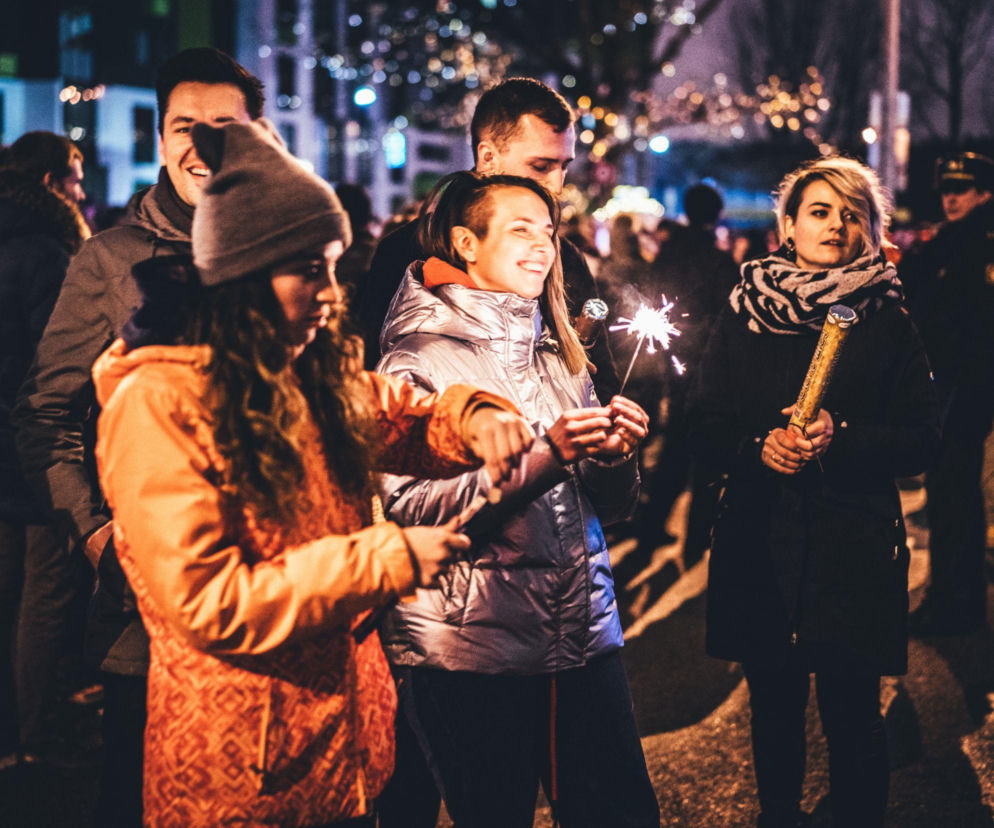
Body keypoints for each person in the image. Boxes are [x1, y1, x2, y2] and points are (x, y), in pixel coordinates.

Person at [92, 120, 533, 827]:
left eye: (333, 264)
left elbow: (393, 411)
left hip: (337, 751)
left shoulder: (297, 367)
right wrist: (382, 557)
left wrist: (473, 416)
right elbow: (210, 600)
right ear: (241, 275)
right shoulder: (159, 402)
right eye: (309, 270)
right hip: (242, 778)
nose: (332, 292)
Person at [12, 46, 264, 825]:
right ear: (161, 139)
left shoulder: (290, 255)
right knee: (143, 798)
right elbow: (44, 412)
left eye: (224, 127)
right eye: (184, 125)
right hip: (148, 620)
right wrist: (93, 532)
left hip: (274, 603)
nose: (200, 145)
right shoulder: (110, 261)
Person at [375, 171, 660, 828]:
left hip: (582, 638)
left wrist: (615, 459)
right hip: (469, 648)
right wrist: (545, 456)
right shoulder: (416, 357)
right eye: (521, 229)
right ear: (465, 243)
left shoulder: (558, 350)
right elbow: (412, 511)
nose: (543, 247)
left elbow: (608, 512)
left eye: (550, 231)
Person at [690, 156, 939, 827]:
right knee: (772, 709)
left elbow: (924, 433)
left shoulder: (887, 319)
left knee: (852, 715)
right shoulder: (744, 313)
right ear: (790, 226)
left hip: (850, 545)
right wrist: (756, 448)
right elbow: (705, 421)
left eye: (852, 213)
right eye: (820, 211)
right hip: (760, 539)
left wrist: (846, 435)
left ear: (870, 228)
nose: (836, 224)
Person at [357, 77, 617, 401]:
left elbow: (602, 380)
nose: (557, 185)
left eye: (564, 166)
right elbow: (374, 384)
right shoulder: (406, 251)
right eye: (541, 166)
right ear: (488, 157)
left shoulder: (564, 259)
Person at [0, 131, 90, 767]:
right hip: (29, 442)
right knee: (46, 591)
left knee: (9, 591)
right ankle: (38, 729)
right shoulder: (46, 251)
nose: (83, 191)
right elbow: (56, 363)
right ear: (52, 183)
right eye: (76, 178)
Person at [902, 152, 994, 635]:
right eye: (946, 189)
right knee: (947, 495)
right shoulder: (948, 241)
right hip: (945, 390)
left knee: (954, 495)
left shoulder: (980, 244)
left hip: (966, 392)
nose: (951, 197)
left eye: (963, 188)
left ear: (984, 192)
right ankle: (952, 596)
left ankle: (957, 604)